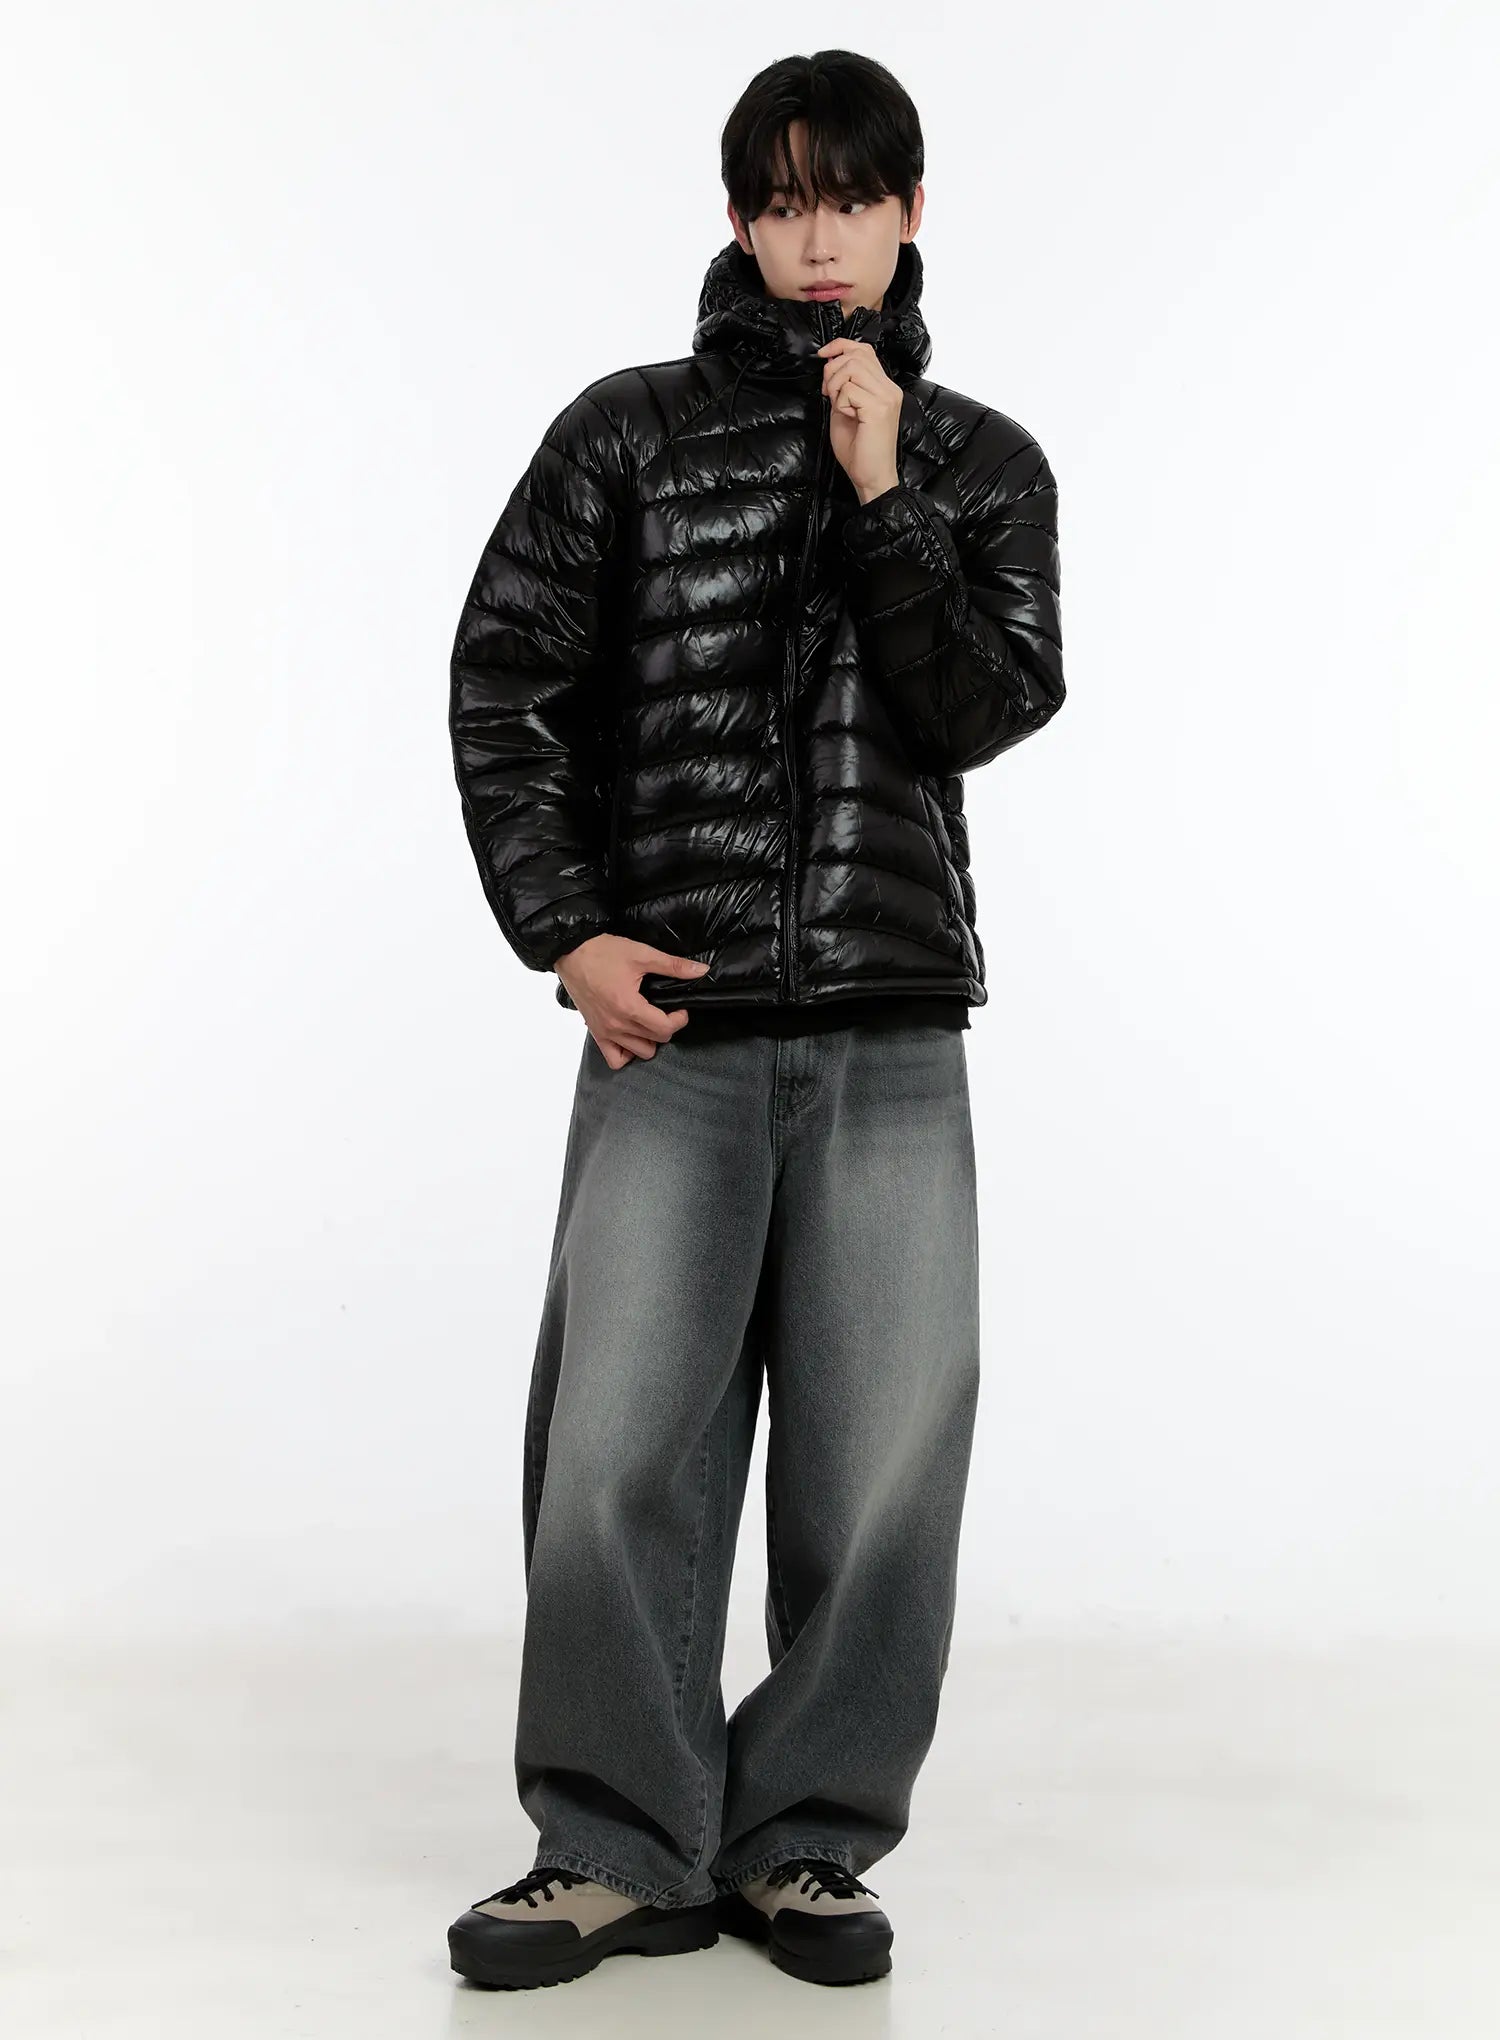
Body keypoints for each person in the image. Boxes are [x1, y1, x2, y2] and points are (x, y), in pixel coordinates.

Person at [443, 48, 1065, 1993]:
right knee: (617, 1448)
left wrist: (883, 491)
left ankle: (804, 1839)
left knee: (884, 1462)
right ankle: (614, 1844)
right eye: (784, 202)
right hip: (675, 1027)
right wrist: (566, 932)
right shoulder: (623, 437)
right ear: (737, 219)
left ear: (910, 213)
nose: (818, 238)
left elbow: (985, 708)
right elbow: (506, 685)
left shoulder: (981, 463)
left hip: (891, 1028)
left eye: (851, 199)